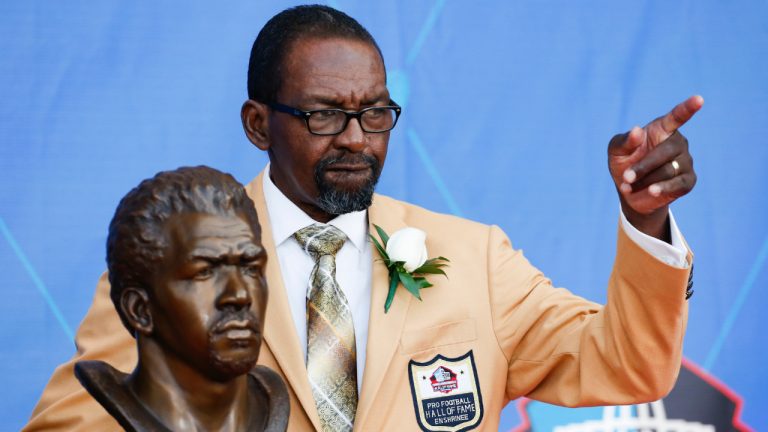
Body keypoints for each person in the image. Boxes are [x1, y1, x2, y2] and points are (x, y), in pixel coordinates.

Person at [25, 5, 701, 432]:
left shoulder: (472, 258)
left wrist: (646, 224)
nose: (357, 138)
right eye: (324, 114)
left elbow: (628, 367)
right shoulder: (180, 257)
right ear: (259, 125)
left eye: (375, 113)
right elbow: (76, 421)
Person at [74, 166, 289, 431]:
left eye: (250, 268)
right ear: (140, 309)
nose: (240, 295)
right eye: (205, 272)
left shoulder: (271, 400)